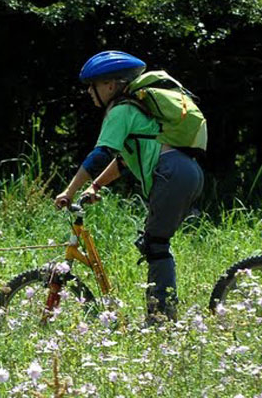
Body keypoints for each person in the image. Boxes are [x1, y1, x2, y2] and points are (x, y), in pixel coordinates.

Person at [54, 51, 204, 325]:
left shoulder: (121, 110)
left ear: (110, 85)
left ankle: (162, 323)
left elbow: (101, 154)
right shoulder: (136, 111)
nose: (89, 91)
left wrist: (70, 190)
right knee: (155, 243)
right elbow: (123, 159)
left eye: (93, 85)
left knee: (156, 246)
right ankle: (162, 318)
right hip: (187, 171)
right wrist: (96, 185)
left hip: (171, 173)